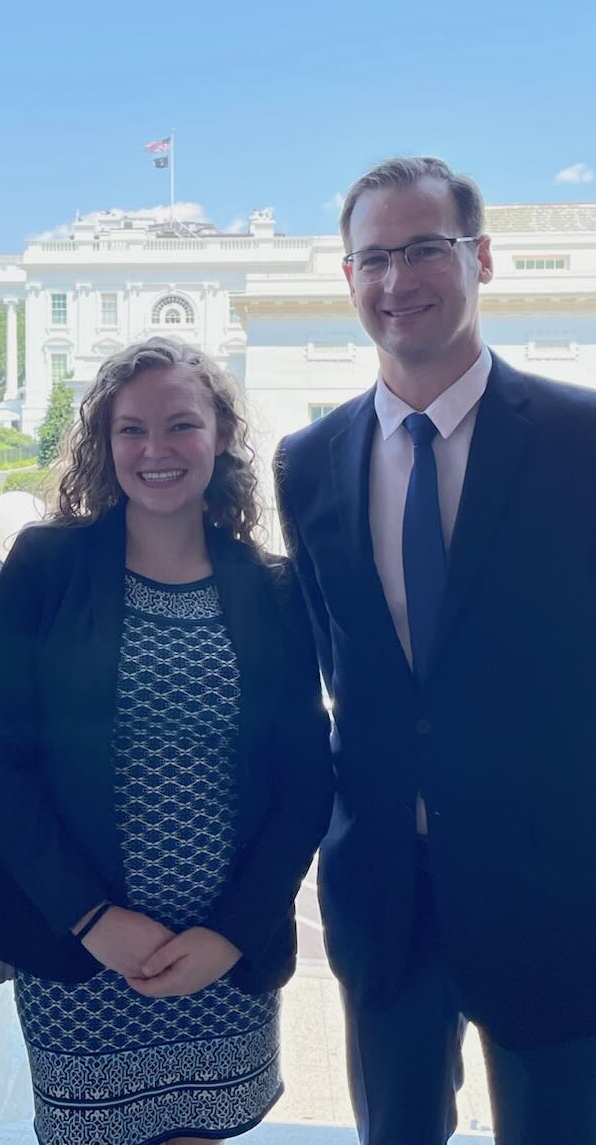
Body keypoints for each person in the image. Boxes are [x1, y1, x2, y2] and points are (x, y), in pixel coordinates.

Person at [275, 156, 596, 1145]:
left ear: (482, 258)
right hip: (384, 896)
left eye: (424, 249)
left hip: (551, 888)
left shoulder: (580, 440)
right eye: (372, 256)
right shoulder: (308, 460)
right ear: (347, 277)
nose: (395, 278)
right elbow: (343, 669)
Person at [0, 336, 333, 1145]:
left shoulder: (272, 588)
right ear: (105, 442)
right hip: (82, 955)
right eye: (131, 429)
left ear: (223, 434)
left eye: (181, 425)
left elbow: (304, 780)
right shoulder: (48, 564)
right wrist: (91, 917)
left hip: (223, 959)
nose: (155, 450)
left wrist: (231, 933)